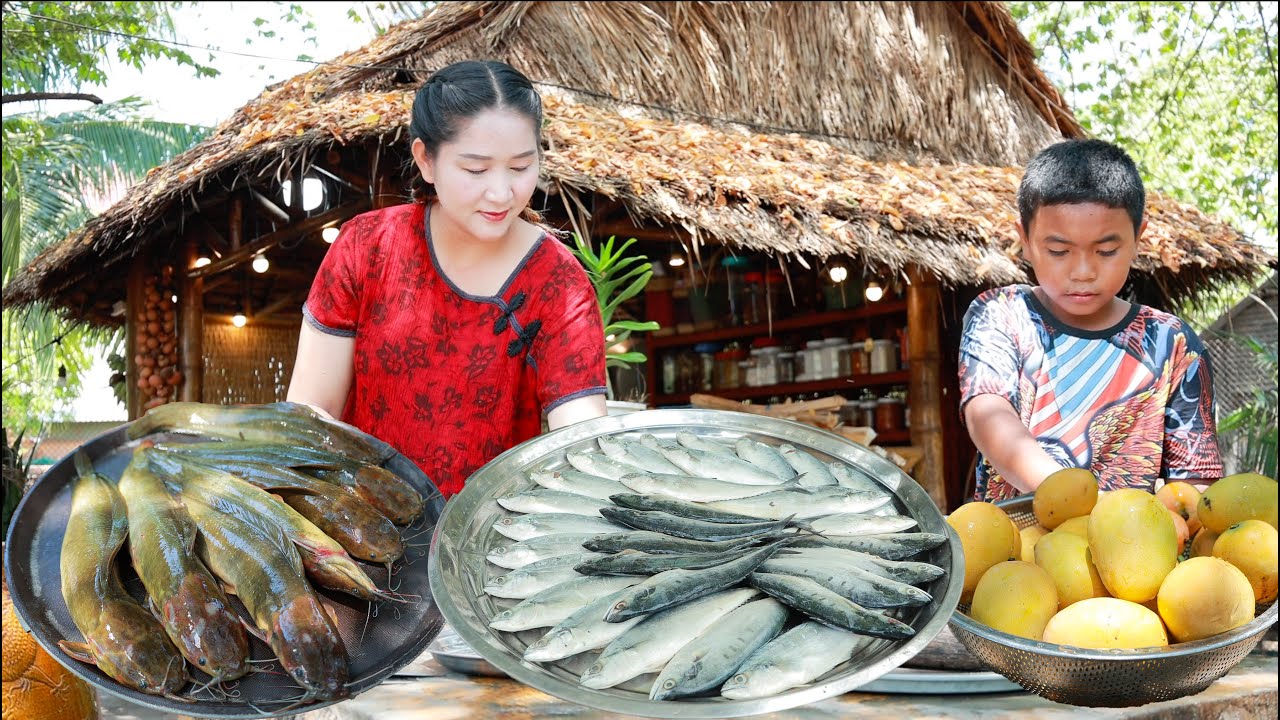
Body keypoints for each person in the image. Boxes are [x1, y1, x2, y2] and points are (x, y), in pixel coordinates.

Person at [287, 59, 608, 498]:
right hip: (363, 531)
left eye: (520, 167)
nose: (501, 193)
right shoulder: (368, 245)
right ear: (426, 160)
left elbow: (581, 437)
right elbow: (311, 413)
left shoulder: (558, 282)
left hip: (488, 548)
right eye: (475, 170)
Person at [958, 138, 1222, 502]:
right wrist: (1082, 503)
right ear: (1025, 240)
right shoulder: (1001, 314)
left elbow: (1195, 485)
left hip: (1134, 550)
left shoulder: (1171, 343)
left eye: (1106, 250)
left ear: (1137, 239)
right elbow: (988, 416)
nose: (1082, 272)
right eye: (1058, 251)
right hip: (1010, 551)